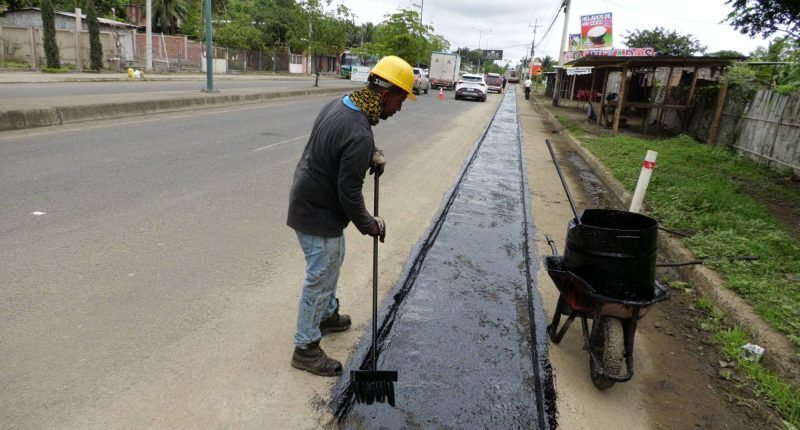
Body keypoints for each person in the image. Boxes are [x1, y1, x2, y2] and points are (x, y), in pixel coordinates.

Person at [286, 55, 416, 377]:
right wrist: (369, 225)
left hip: (311, 198)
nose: (399, 109)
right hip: (317, 210)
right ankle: (305, 348)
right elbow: (349, 193)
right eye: (400, 101)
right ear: (386, 95)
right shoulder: (359, 132)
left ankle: (327, 315)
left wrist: (370, 154)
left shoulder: (342, 104)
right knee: (321, 274)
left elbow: (341, 145)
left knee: (334, 258)